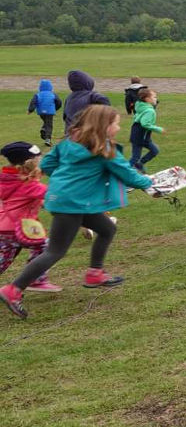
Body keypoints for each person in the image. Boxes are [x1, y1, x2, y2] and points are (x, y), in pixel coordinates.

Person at [1, 105, 154, 319]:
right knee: (55, 251)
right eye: (115, 124)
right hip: (70, 204)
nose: (118, 128)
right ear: (103, 126)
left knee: (107, 228)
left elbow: (50, 163)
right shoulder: (105, 149)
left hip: (70, 201)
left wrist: (67, 180)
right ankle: (13, 290)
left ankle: (95, 274)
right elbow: (128, 175)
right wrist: (151, 182)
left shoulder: (67, 143)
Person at [0, 143, 61, 292]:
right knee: (46, 246)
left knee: (4, 259)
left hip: (4, 227)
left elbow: (22, 199)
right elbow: (54, 195)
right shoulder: (29, 184)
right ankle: (36, 279)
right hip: (19, 227)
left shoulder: (7, 179)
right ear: (31, 164)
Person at [62, 70, 111, 136]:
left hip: (71, 133)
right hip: (86, 134)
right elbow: (104, 101)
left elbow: (65, 116)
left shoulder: (69, 98)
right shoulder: (91, 95)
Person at [128, 88, 164, 173]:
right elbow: (145, 124)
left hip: (142, 135)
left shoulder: (141, 105)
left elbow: (136, 117)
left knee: (155, 150)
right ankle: (123, 172)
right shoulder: (149, 110)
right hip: (140, 136)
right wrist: (158, 129)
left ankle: (140, 164)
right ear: (147, 99)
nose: (156, 99)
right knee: (135, 157)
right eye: (154, 97)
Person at [27, 79, 61, 147]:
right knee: (49, 125)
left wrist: (30, 110)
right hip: (50, 112)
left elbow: (33, 102)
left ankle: (43, 129)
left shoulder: (37, 95)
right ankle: (48, 139)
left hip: (41, 112)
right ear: (50, 87)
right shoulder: (53, 94)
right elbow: (59, 102)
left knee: (46, 122)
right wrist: (55, 109)